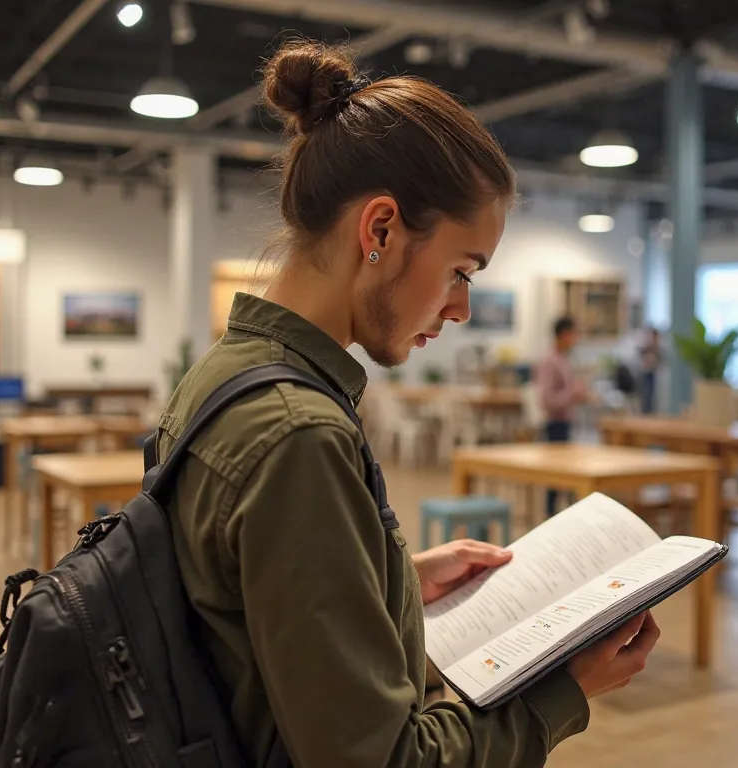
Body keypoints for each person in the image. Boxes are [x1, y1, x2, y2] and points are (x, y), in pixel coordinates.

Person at [154, 40, 660, 768]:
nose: (458, 309)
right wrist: (564, 692)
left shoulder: (228, 373)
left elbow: (239, 619)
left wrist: (388, 580)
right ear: (381, 230)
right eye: (459, 271)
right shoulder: (297, 435)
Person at [536, 316, 590, 516]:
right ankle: (550, 521)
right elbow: (547, 400)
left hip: (566, 422)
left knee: (564, 480)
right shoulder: (549, 361)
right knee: (554, 480)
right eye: (574, 334)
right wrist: (573, 394)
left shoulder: (565, 359)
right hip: (554, 425)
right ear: (565, 335)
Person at [638, 326, 663, 414]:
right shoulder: (647, 346)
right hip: (646, 372)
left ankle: (650, 412)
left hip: (653, 373)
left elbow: (659, 360)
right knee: (645, 394)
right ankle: (645, 411)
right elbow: (641, 355)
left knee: (652, 394)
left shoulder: (657, 348)